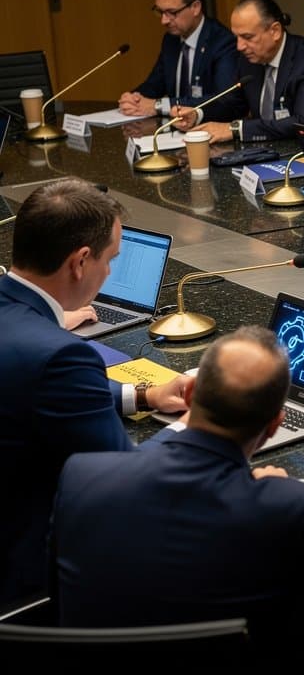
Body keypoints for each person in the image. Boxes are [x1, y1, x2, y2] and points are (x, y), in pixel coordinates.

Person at [49, 326, 304, 662]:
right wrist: (294, 493)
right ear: (275, 424)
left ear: (189, 395)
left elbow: (57, 592)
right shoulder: (284, 506)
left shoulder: (81, 476)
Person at [0, 178, 192, 606]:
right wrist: (200, 424)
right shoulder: (61, 356)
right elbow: (128, 483)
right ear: (80, 262)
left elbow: (26, 387)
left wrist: (143, 395)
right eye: (111, 261)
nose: (109, 274)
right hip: (28, 584)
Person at [187, 0, 304, 143]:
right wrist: (198, 114)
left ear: (275, 31)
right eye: (236, 37)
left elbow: (302, 123)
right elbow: (233, 104)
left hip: (302, 154)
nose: (239, 46)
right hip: (263, 150)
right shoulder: (249, 60)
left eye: (248, 37)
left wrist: (236, 129)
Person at [118, 0, 238, 121]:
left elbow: (223, 101)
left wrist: (159, 105)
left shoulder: (222, 42)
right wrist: (134, 98)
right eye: (159, 12)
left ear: (195, 7)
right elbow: (155, 84)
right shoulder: (171, 40)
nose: (164, 21)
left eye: (171, 13)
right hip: (175, 130)